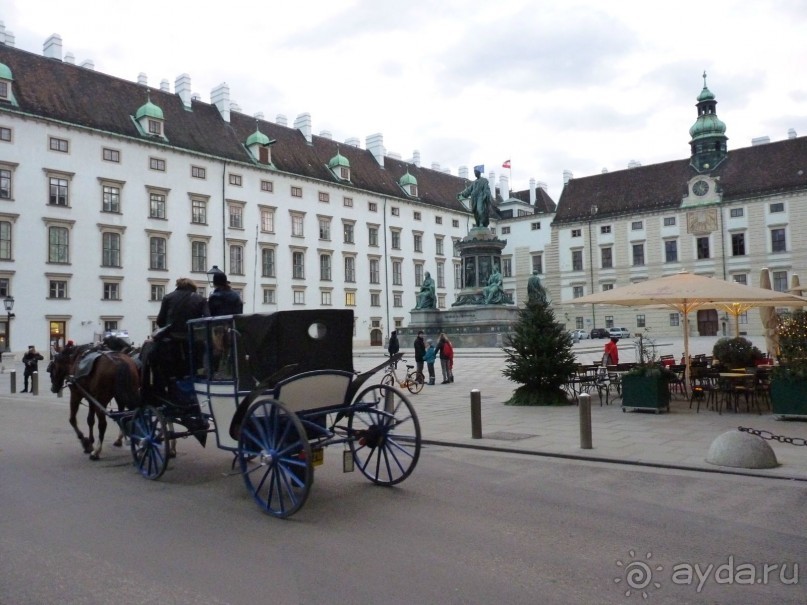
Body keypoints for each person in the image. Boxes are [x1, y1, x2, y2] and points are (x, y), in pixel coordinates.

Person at [152, 277, 209, 390]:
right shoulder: (200, 299)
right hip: (193, 339)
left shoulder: (168, 297)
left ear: (178, 286)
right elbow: (207, 318)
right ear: (193, 287)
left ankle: (164, 385)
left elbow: (160, 321)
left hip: (172, 339)